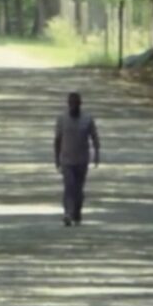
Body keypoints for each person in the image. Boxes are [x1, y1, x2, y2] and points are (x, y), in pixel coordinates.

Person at [53, 90, 101, 226]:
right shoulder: (62, 119)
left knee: (78, 188)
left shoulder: (87, 119)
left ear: (80, 104)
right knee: (69, 187)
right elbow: (57, 139)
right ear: (68, 104)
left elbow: (95, 137)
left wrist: (96, 155)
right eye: (71, 103)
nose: (73, 106)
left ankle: (77, 212)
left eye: (76, 104)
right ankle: (68, 212)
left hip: (82, 160)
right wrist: (56, 159)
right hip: (66, 159)